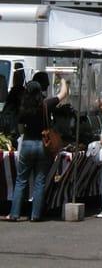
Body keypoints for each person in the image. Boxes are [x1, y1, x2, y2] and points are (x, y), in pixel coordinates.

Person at [3, 77, 68, 222]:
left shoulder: (23, 107)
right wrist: (62, 79)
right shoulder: (46, 104)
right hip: (43, 144)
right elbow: (63, 94)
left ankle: (14, 214)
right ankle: (36, 215)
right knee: (40, 181)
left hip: (27, 144)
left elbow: (20, 129)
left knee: (21, 181)